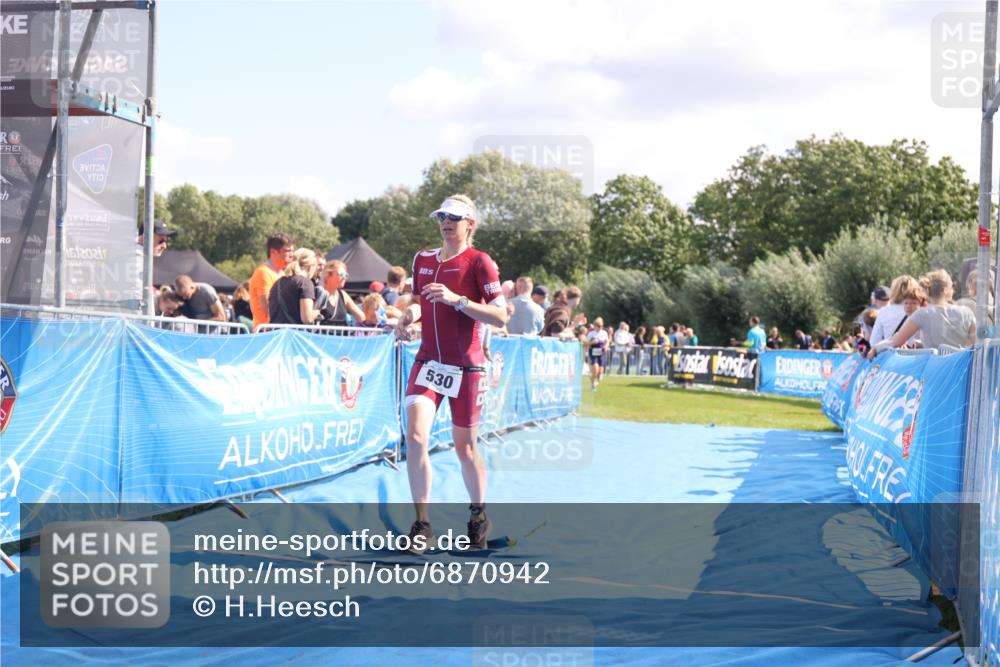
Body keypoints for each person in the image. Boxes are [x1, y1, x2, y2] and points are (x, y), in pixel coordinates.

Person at [394, 195, 507, 553]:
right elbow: (420, 302)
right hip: (428, 361)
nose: (446, 222)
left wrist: (458, 299)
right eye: (442, 216)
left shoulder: (479, 262)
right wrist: (409, 316)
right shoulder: (423, 260)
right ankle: (422, 525)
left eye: (454, 217)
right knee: (415, 436)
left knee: (465, 448)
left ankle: (478, 515)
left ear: (469, 224)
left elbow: (501, 316)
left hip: (467, 366)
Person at [872, 269, 975, 355]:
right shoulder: (966, 312)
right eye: (952, 286)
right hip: (961, 369)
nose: (953, 290)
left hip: (934, 368)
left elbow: (895, 343)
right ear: (945, 290)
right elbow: (978, 344)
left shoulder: (922, 314)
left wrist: (875, 348)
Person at [249, 233, 295, 331]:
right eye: (288, 251)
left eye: (292, 251)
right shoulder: (263, 272)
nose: (292, 255)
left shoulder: (282, 273)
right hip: (265, 331)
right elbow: (267, 307)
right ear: (273, 252)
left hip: (277, 329)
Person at [268, 249, 321, 325]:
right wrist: (317, 312)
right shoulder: (305, 283)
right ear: (310, 267)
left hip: (276, 331)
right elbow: (307, 318)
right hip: (294, 331)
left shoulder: (277, 283)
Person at [869, 275, 921, 347]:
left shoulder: (884, 311)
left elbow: (873, 342)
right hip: (916, 352)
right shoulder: (920, 312)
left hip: (892, 352)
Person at [317, 259, 365, 327]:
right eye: (341, 274)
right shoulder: (319, 293)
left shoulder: (343, 294)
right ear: (328, 275)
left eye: (346, 275)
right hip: (323, 333)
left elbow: (361, 317)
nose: (344, 278)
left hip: (342, 333)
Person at [586, 316, 609, 390]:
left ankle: (595, 380)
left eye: (601, 326)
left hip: (601, 352)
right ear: (595, 326)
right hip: (593, 352)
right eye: (598, 326)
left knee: (600, 371)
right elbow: (586, 343)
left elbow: (607, 341)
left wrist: (606, 346)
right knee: (595, 369)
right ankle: (593, 384)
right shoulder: (591, 334)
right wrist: (592, 342)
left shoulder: (604, 333)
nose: (600, 327)